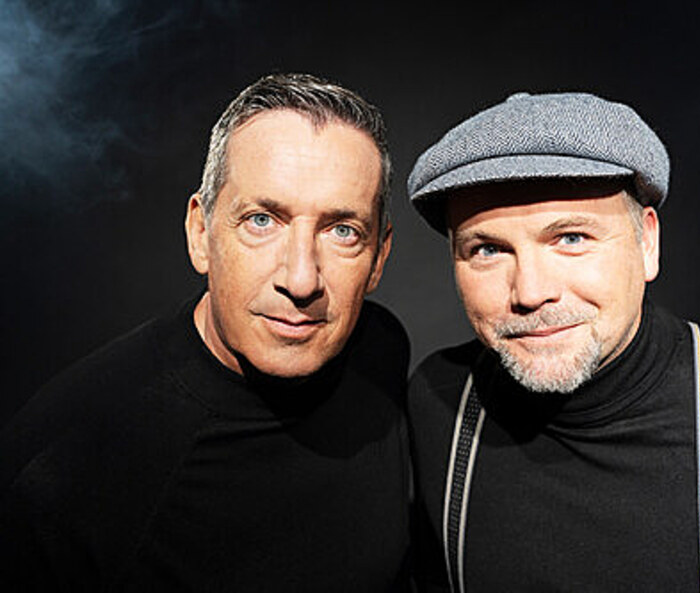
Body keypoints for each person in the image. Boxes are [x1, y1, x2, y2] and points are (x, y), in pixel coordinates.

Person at [405, 91, 700, 591]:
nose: (530, 292)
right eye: (487, 250)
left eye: (571, 238)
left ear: (647, 243)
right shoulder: (438, 405)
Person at [0, 73, 411, 591]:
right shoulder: (69, 464)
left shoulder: (379, 349)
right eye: (262, 220)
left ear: (378, 258)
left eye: (343, 231)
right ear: (201, 233)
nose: (301, 279)